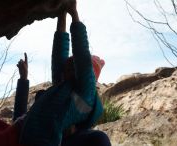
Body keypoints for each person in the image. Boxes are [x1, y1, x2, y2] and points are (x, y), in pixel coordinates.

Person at [16, 1, 110, 146]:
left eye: (73, 67)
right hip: (22, 138)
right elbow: (59, 53)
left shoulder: (84, 97)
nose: (67, 69)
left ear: (87, 77)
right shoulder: (62, 89)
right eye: (67, 67)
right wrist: (62, 14)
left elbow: (82, 58)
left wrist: (74, 14)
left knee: (100, 138)